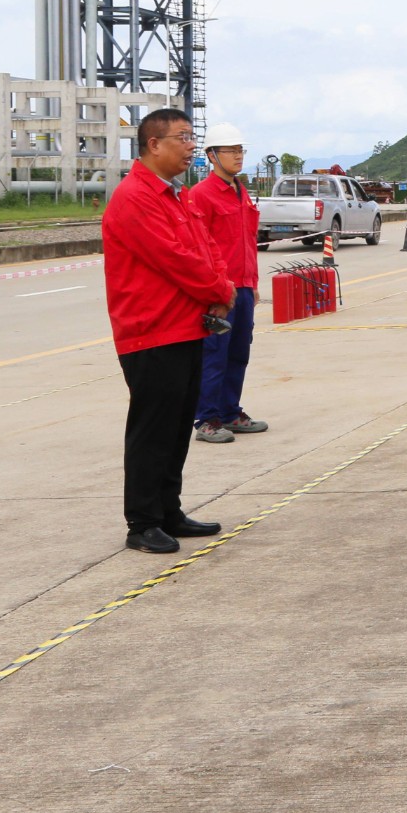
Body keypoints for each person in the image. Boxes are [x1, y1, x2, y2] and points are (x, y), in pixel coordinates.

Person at [102, 108, 236, 554]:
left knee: (178, 427)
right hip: (151, 331)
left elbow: (205, 247)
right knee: (152, 429)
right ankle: (141, 522)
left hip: (185, 327)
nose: (191, 146)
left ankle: (168, 511)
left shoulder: (175, 195)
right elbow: (175, 259)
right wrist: (219, 288)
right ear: (153, 144)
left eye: (192, 137)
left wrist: (222, 288)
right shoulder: (135, 197)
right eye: (182, 138)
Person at [187, 123, 268, 443]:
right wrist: (212, 290)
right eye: (230, 151)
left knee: (238, 352)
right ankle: (207, 419)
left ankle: (231, 412)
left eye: (240, 150)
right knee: (214, 354)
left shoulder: (240, 190)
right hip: (219, 292)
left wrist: (253, 283)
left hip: (244, 287)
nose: (238, 156)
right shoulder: (201, 195)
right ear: (211, 156)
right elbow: (197, 247)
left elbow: (247, 240)